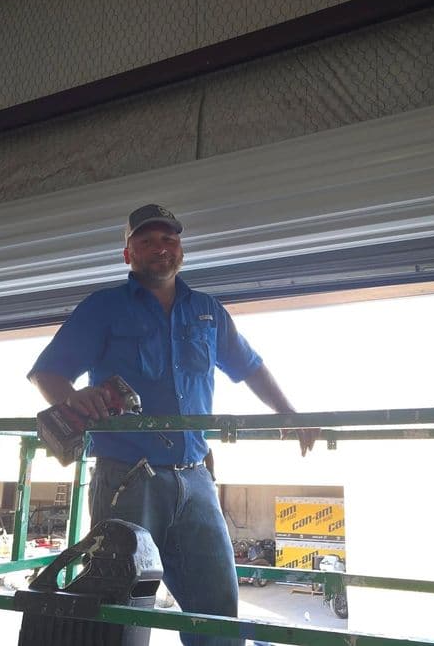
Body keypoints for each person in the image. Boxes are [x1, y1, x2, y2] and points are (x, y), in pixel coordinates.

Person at [28, 203, 316, 646]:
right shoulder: (104, 307)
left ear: (180, 249)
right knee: (117, 613)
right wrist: (73, 397)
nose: (159, 249)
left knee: (217, 614)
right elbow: (47, 373)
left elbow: (249, 367)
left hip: (195, 479)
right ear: (128, 255)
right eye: (146, 241)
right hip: (127, 478)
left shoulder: (206, 311)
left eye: (169, 240)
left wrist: (289, 414)